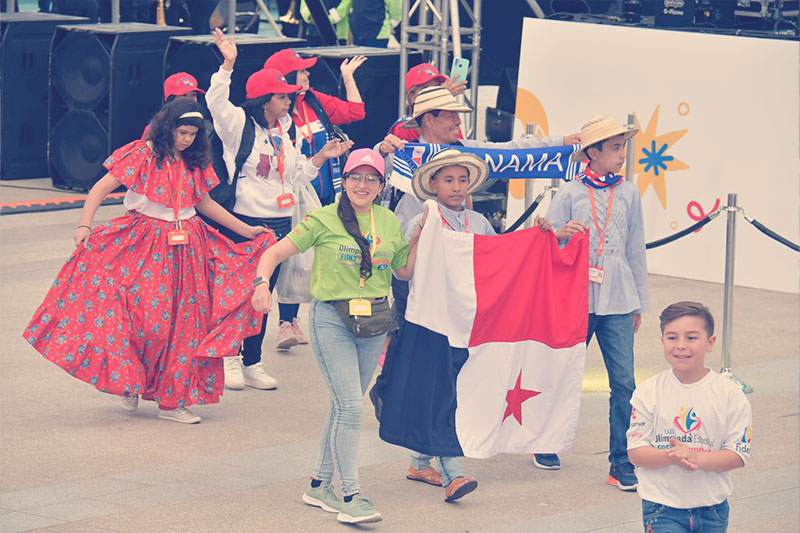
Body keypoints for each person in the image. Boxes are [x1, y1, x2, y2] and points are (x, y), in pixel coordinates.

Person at [23, 99, 272, 424]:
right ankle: (130, 380)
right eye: (183, 132)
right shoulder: (142, 153)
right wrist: (85, 225)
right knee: (144, 321)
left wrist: (245, 229)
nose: (187, 139)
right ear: (168, 127)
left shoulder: (195, 159)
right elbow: (100, 187)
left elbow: (205, 203)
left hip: (189, 246)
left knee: (185, 326)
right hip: (144, 243)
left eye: (194, 134)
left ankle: (173, 400)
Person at [251, 148, 423, 524]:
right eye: (355, 177)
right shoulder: (322, 219)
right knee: (350, 407)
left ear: (381, 185)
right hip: (332, 320)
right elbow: (273, 253)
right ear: (342, 182)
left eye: (371, 178)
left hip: (375, 320)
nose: (363, 184)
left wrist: (420, 236)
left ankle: (317, 483)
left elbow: (403, 273)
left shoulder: (389, 221)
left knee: (344, 406)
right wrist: (262, 284)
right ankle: (350, 493)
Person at [207, 29, 351, 390]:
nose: (289, 102)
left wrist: (320, 157)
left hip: (279, 224)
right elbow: (215, 102)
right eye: (282, 97)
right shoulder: (239, 124)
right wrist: (227, 64)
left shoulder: (284, 129)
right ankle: (229, 357)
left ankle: (252, 359)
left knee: (263, 295)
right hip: (244, 223)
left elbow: (295, 174)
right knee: (239, 293)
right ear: (264, 100)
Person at [544, 114, 649, 484]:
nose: (623, 154)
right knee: (563, 371)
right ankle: (545, 439)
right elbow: (546, 239)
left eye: (624, 147)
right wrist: (559, 233)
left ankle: (621, 461)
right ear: (593, 152)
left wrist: (639, 303)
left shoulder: (630, 192)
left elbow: (636, 249)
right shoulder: (570, 192)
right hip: (577, 296)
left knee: (624, 382)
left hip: (619, 299)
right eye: (616, 147)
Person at [377, 85, 580, 229]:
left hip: (454, 256)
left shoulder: (465, 149)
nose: (458, 121)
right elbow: (367, 172)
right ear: (429, 119)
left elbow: (511, 150)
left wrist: (560, 143)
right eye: (451, 116)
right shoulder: (402, 153)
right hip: (411, 257)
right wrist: (381, 150)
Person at [628, 301, 751, 532]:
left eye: (691, 338)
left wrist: (694, 457)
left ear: (710, 342)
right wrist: (671, 456)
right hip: (662, 508)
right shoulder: (647, 391)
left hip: (712, 508)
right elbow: (636, 452)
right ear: (662, 341)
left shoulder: (730, 394)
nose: (681, 346)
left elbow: (737, 454)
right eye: (672, 337)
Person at [264, 48, 367, 206]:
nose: (308, 74)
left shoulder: (312, 99)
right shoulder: (273, 113)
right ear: (287, 78)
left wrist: (347, 77)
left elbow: (356, 112)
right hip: (293, 200)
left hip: (328, 197)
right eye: (302, 71)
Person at [387, 62, 467, 143]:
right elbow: (423, 125)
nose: (433, 92)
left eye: (437, 87)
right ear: (412, 97)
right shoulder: (401, 127)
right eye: (426, 88)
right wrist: (443, 97)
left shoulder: (450, 121)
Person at [141, 73, 206, 140]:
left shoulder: (205, 125)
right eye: (183, 95)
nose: (189, 100)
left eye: (193, 95)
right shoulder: (155, 127)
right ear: (171, 99)